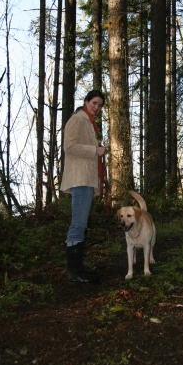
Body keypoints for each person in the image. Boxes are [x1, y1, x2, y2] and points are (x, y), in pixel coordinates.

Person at [60, 89, 107, 283]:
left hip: (86, 179)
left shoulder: (89, 123)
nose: (96, 108)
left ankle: (78, 268)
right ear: (86, 102)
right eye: (94, 103)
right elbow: (69, 147)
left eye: (100, 105)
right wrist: (95, 150)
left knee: (81, 224)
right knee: (78, 224)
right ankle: (74, 273)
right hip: (79, 179)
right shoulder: (78, 120)